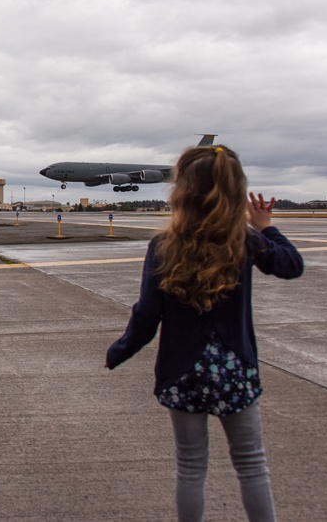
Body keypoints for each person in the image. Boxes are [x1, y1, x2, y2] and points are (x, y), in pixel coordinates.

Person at [105, 145, 304, 522]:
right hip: (235, 369)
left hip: (182, 372)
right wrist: (266, 226)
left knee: (191, 467)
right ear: (234, 190)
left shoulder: (163, 245)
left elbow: (147, 314)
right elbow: (291, 266)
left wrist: (120, 351)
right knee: (251, 465)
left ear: (181, 191)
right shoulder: (244, 239)